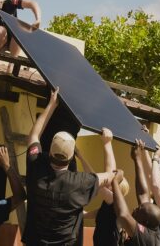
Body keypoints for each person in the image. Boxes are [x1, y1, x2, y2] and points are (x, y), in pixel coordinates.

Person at [23, 87, 119, 246]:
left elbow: (34, 135)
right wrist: (107, 143)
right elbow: (111, 174)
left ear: (49, 151)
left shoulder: (36, 165)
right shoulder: (80, 182)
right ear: (72, 156)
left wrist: (51, 105)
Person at [77, 127, 130, 246]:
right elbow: (97, 214)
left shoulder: (114, 201)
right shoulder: (110, 204)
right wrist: (81, 214)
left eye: (113, 182)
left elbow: (94, 179)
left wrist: (107, 143)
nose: (109, 182)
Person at [113, 139, 160, 246]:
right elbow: (143, 195)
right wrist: (137, 158)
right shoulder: (151, 224)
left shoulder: (147, 239)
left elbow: (123, 215)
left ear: (145, 222)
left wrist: (115, 183)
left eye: (139, 210)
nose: (136, 208)